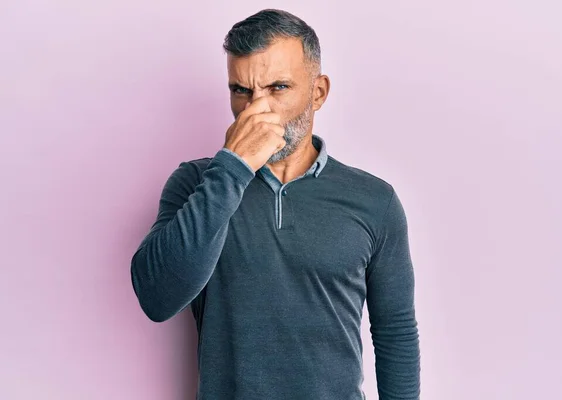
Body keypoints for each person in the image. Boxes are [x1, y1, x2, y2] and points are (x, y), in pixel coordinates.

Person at [130, 8, 421, 400]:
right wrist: (232, 168)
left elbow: (395, 331)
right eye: (241, 90)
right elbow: (157, 298)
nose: (256, 110)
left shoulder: (374, 200)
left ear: (317, 93)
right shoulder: (196, 183)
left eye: (278, 88)